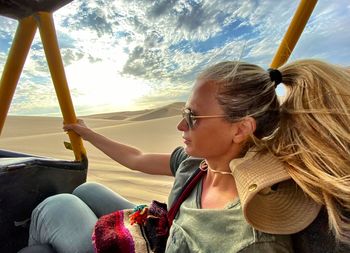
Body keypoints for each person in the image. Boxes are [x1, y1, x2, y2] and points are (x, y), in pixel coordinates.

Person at [20, 59, 350, 253]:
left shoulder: (250, 238)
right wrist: (87, 133)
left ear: (240, 129)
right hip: (165, 237)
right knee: (85, 191)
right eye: (183, 111)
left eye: (192, 116)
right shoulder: (198, 163)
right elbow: (136, 157)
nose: (181, 124)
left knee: (58, 206)